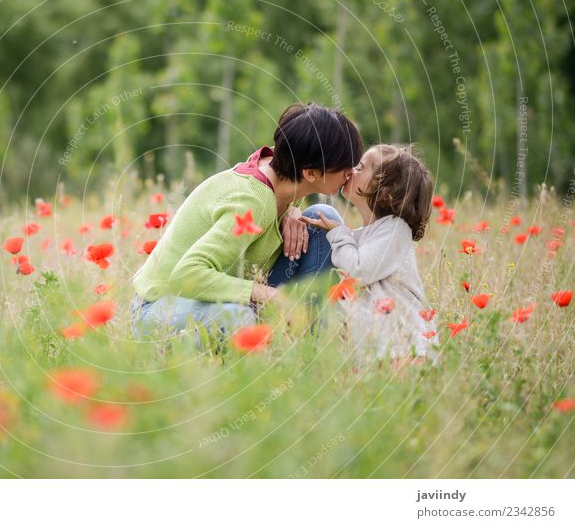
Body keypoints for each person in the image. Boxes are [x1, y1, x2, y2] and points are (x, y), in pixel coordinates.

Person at [130, 103, 364, 339]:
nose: (350, 173)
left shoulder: (279, 167)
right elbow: (186, 275)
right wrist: (270, 295)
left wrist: (292, 208)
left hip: (220, 297)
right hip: (161, 308)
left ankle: (311, 340)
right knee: (239, 318)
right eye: (344, 166)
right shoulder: (253, 202)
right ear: (310, 173)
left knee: (322, 219)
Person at [306, 144, 439, 364]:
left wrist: (338, 234)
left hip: (407, 349)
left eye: (360, 167)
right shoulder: (364, 235)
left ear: (385, 190)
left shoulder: (396, 229)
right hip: (375, 351)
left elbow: (357, 270)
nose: (351, 170)